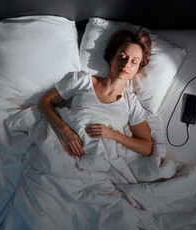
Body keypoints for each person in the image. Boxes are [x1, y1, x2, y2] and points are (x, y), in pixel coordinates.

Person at [38, 29, 152, 158]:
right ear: (111, 58)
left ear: (137, 70)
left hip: (101, 156)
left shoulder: (131, 102)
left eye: (134, 62)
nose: (126, 64)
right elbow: (44, 102)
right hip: (65, 147)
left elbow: (146, 147)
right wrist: (65, 131)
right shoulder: (82, 81)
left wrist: (113, 134)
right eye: (123, 56)